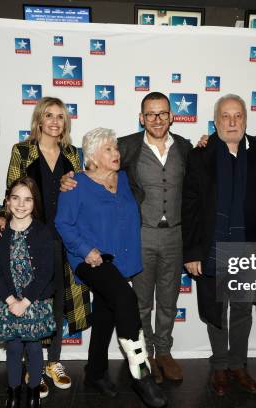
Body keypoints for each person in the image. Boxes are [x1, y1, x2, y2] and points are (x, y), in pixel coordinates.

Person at [61, 92, 192, 383]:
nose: (157, 119)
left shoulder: (185, 147)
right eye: (151, 114)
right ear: (141, 118)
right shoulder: (128, 146)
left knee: (169, 299)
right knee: (139, 301)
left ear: (172, 116)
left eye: (162, 114)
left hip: (175, 234)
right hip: (141, 237)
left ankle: (164, 353)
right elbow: (95, 165)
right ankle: (143, 356)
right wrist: (67, 178)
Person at [55, 128, 167, 408]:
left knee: (105, 313)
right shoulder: (75, 184)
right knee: (126, 298)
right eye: (108, 149)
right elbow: (63, 224)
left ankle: (95, 372)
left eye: (115, 148)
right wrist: (86, 250)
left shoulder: (126, 179)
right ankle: (141, 374)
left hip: (122, 261)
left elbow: (143, 139)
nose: (116, 153)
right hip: (90, 260)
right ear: (91, 157)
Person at [0, 97, 91, 398]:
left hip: (63, 237)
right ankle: (28, 365)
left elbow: (83, 192)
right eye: (49, 115)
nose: (55, 121)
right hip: (29, 238)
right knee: (27, 297)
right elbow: (11, 189)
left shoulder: (73, 153)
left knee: (57, 300)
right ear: (39, 120)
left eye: (61, 116)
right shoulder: (22, 151)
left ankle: (53, 361)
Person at [182, 94, 256, 397]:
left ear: (246, 119)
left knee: (243, 310)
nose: (232, 122)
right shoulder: (200, 155)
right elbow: (190, 207)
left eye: (238, 116)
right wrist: (192, 252)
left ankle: (239, 365)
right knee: (216, 310)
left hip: (247, 246)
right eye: (225, 116)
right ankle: (220, 367)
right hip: (212, 246)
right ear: (216, 121)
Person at [0, 177, 57, 408]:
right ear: (7, 201)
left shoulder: (43, 232)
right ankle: (14, 392)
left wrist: (25, 301)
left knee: (34, 347)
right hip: (7, 299)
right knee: (14, 347)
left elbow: (46, 271)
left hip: (33, 299)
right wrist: (10, 301)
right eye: (16, 198)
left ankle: (34, 392)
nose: (21, 204)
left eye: (27, 199)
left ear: (34, 203)